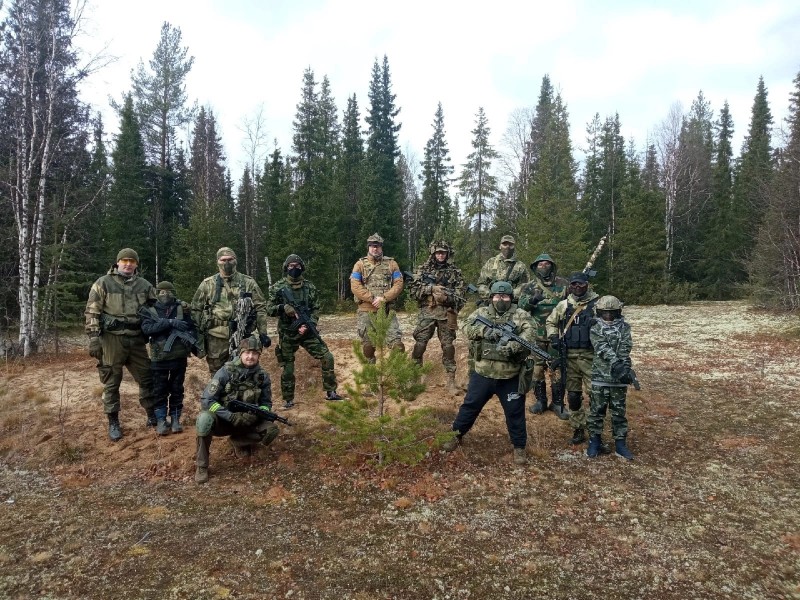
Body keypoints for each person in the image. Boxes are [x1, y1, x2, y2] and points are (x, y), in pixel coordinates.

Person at [441, 281, 534, 465]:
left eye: (505, 296)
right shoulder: (481, 313)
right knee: (470, 406)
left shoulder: (522, 315)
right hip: (482, 373)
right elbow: (466, 327)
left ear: (511, 298)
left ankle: (519, 447)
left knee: (515, 413)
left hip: (509, 375)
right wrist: (485, 331)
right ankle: (456, 435)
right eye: (497, 296)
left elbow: (530, 337)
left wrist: (513, 346)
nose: (501, 299)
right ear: (491, 297)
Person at [85, 248, 157, 442]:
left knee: (147, 378)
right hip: (112, 339)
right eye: (124, 260)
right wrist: (93, 338)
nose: (128, 264)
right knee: (111, 381)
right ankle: (114, 422)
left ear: (136, 264)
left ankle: (152, 416)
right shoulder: (103, 283)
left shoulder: (144, 285)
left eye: (132, 261)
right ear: (117, 263)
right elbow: (92, 312)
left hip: (136, 339)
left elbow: (156, 309)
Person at [194, 335, 279, 484]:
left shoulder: (262, 376)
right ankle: (202, 466)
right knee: (204, 420)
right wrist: (229, 416)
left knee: (271, 430)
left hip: (247, 422)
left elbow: (266, 402)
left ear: (259, 355)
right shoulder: (226, 371)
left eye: (254, 353)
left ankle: (239, 441)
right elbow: (207, 400)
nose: (250, 357)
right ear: (241, 353)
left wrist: (256, 415)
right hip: (223, 421)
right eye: (247, 353)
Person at [266, 253, 344, 409]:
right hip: (288, 332)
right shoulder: (278, 287)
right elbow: (269, 309)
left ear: (302, 267)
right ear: (286, 268)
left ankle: (331, 392)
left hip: (307, 330)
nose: (294, 268)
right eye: (291, 266)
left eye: (297, 266)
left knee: (327, 356)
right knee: (287, 368)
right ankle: (288, 400)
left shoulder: (309, 287)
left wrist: (309, 324)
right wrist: (283, 308)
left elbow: (316, 308)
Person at [192, 247, 271, 374]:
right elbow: (196, 309)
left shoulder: (248, 282)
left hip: (243, 337)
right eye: (223, 260)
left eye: (230, 259)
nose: (227, 263)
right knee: (217, 375)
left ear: (235, 260)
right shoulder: (208, 284)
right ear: (217, 261)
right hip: (216, 338)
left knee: (243, 374)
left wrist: (263, 333)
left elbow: (260, 307)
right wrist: (196, 336)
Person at [546, 271, 601, 447]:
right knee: (573, 396)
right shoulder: (564, 305)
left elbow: (613, 324)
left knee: (596, 395)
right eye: (574, 284)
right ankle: (578, 428)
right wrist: (554, 337)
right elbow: (551, 322)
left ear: (587, 285)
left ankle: (595, 432)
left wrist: (598, 325)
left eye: (581, 284)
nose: (577, 287)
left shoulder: (597, 304)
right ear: (570, 286)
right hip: (569, 356)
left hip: (591, 356)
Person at [140, 281, 198, 435]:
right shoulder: (149, 310)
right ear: (156, 293)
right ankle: (160, 420)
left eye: (169, 291)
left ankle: (176, 419)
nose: (165, 294)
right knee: (159, 390)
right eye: (161, 292)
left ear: (174, 293)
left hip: (179, 357)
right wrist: (170, 322)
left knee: (177, 389)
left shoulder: (181, 308)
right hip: (159, 359)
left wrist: (189, 337)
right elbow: (147, 329)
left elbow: (192, 327)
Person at [409, 240, 466, 394]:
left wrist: (447, 298)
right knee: (419, 345)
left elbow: (461, 296)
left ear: (448, 254)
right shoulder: (423, 269)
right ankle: (414, 379)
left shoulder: (455, 272)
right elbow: (413, 292)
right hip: (427, 313)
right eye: (438, 252)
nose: (441, 255)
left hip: (446, 314)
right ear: (433, 253)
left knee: (448, 348)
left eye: (443, 252)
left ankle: (450, 382)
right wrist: (430, 289)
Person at [518, 253, 568, 418]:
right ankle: (540, 401)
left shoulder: (563, 284)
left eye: (546, 263)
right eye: (540, 264)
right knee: (536, 370)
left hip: (557, 336)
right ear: (535, 267)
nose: (543, 266)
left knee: (558, 369)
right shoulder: (529, 286)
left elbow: (573, 305)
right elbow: (521, 309)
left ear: (552, 266)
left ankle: (558, 403)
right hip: (536, 337)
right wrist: (532, 300)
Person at [588, 295, 636, 460]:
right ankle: (594, 441)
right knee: (596, 411)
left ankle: (620, 444)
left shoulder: (625, 327)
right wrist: (616, 363)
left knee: (619, 412)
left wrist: (623, 368)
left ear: (618, 312)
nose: (608, 317)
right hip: (599, 376)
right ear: (599, 312)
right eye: (605, 313)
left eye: (612, 313)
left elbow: (626, 346)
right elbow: (600, 346)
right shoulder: (595, 327)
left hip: (619, 379)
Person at [349, 233, 405, 361]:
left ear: (381, 247)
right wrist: (373, 299)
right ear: (368, 247)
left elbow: (398, 284)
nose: (375, 249)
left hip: (387, 311)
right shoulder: (360, 265)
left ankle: (396, 375)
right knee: (368, 347)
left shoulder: (391, 263)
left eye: (378, 246)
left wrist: (384, 298)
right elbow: (355, 286)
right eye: (372, 246)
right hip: (366, 311)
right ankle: (372, 376)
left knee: (398, 346)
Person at [477, 234, 529, 304]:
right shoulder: (490, 263)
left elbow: (526, 286)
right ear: (500, 246)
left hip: (513, 303)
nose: (507, 247)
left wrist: (512, 294)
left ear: (514, 247)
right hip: (491, 303)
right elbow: (481, 284)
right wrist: (490, 295)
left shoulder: (520, 266)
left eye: (510, 244)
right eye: (504, 244)